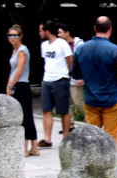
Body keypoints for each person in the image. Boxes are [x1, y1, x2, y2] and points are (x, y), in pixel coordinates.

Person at [70, 17, 117, 143]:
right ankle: (110, 161)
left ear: (94, 28)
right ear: (110, 29)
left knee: (93, 137)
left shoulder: (80, 49)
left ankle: (94, 161)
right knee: (111, 136)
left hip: (91, 99)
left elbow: (75, 74)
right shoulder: (115, 50)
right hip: (112, 98)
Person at [37, 20, 73, 148]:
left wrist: (67, 74)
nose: (39, 33)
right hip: (47, 80)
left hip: (60, 80)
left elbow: (70, 60)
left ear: (47, 31)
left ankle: (66, 136)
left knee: (63, 110)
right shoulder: (44, 45)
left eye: (41, 30)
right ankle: (47, 138)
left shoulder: (62, 44)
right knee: (46, 109)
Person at [5, 25, 38, 157]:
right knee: (24, 116)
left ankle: (26, 147)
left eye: (15, 35)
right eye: (10, 35)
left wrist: (11, 86)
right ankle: (34, 146)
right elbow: (12, 71)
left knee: (25, 116)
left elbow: (19, 70)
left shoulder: (22, 50)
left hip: (22, 85)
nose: (12, 38)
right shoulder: (14, 51)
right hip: (15, 85)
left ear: (20, 37)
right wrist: (8, 84)